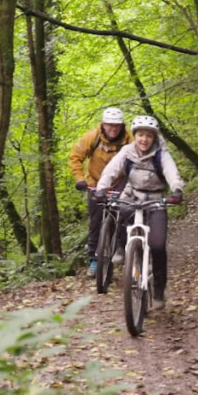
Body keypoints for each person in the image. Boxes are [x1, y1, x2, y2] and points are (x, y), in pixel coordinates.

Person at [94, 115, 185, 310]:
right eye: (140, 135)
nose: (144, 140)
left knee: (158, 246)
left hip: (155, 199)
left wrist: (177, 189)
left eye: (149, 136)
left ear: (154, 138)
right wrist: (102, 188)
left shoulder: (161, 154)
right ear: (135, 136)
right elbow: (111, 170)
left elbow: (171, 172)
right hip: (132, 194)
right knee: (119, 211)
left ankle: (159, 288)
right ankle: (121, 247)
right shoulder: (127, 152)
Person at [70, 107, 133, 277]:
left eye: (117, 126)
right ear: (103, 125)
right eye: (109, 125)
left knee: (124, 216)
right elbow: (75, 157)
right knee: (96, 222)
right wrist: (79, 179)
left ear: (122, 126)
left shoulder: (130, 140)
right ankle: (95, 260)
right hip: (96, 184)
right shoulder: (92, 137)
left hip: (120, 184)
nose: (113, 129)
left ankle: (123, 248)